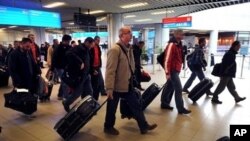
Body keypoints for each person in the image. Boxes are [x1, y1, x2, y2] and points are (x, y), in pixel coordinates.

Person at [104, 26, 157, 135]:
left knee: (136, 105)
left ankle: (143, 126)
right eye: (128, 32)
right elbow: (110, 71)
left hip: (127, 84)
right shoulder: (115, 50)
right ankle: (108, 127)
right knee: (112, 108)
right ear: (121, 36)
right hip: (116, 86)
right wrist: (109, 88)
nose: (131, 34)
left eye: (131, 32)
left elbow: (131, 66)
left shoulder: (129, 49)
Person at [161, 29, 191, 114]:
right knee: (178, 88)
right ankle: (180, 108)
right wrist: (167, 73)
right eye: (182, 34)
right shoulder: (172, 45)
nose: (183, 35)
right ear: (177, 35)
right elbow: (167, 59)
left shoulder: (179, 44)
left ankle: (164, 103)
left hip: (177, 69)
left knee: (169, 87)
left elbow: (179, 57)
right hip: (172, 70)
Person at [62, 37, 94, 112]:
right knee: (77, 93)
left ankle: (90, 106)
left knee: (89, 91)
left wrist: (92, 70)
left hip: (86, 74)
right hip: (80, 75)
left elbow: (88, 61)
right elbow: (68, 53)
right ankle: (66, 103)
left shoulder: (87, 49)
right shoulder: (79, 48)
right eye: (90, 44)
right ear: (86, 42)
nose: (91, 46)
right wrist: (80, 62)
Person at [51, 35, 71, 100]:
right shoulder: (58, 48)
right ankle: (66, 98)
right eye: (68, 41)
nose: (69, 42)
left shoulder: (69, 47)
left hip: (66, 67)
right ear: (63, 41)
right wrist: (52, 69)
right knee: (65, 82)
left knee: (63, 81)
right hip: (59, 67)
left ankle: (60, 94)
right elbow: (53, 59)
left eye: (69, 41)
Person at [89, 36, 107, 101]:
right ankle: (93, 96)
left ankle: (102, 92)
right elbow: (90, 58)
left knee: (101, 80)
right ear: (94, 40)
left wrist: (100, 64)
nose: (99, 42)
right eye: (98, 40)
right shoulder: (91, 48)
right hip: (93, 67)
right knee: (94, 82)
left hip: (97, 66)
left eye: (99, 40)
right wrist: (92, 68)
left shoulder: (98, 47)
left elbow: (98, 56)